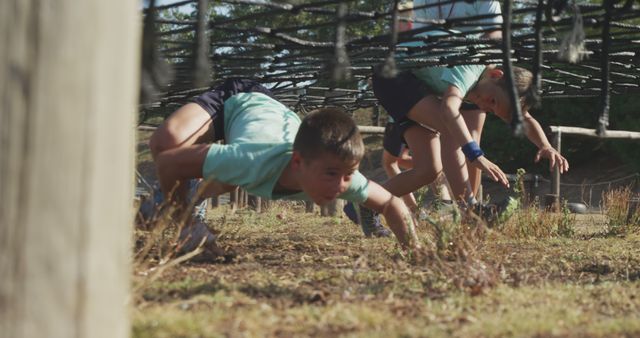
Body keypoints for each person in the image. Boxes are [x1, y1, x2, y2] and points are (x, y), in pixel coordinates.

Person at [149, 78, 419, 260]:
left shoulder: (345, 177)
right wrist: (182, 226)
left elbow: (392, 203)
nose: (340, 186)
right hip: (238, 99)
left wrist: (414, 251)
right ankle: (180, 208)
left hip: (274, 121)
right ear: (299, 162)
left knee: (231, 180)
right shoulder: (250, 160)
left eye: (347, 175)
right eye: (331, 174)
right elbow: (168, 161)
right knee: (166, 141)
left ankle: (188, 196)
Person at [371, 0, 569, 220]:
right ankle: (471, 209)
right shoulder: (473, 65)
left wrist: (545, 145)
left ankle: (365, 203)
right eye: (492, 101)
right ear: (496, 75)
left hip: (411, 82)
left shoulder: (488, 82)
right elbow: (448, 109)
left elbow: (524, 116)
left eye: (492, 109)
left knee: (428, 170)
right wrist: (476, 155)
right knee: (452, 130)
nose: (485, 106)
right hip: (393, 75)